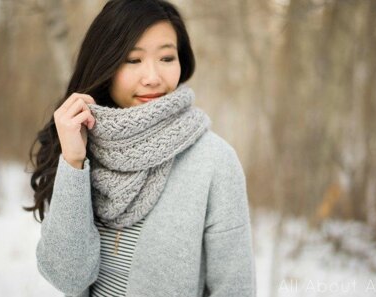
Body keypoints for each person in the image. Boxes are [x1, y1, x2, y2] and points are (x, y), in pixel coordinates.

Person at [26, 0, 256, 296]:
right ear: (105, 64)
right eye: (133, 60)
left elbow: (235, 289)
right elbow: (68, 277)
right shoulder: (85, 146)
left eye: (166, 58)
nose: (153, 77)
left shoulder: (214, 161)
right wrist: (73, 160)